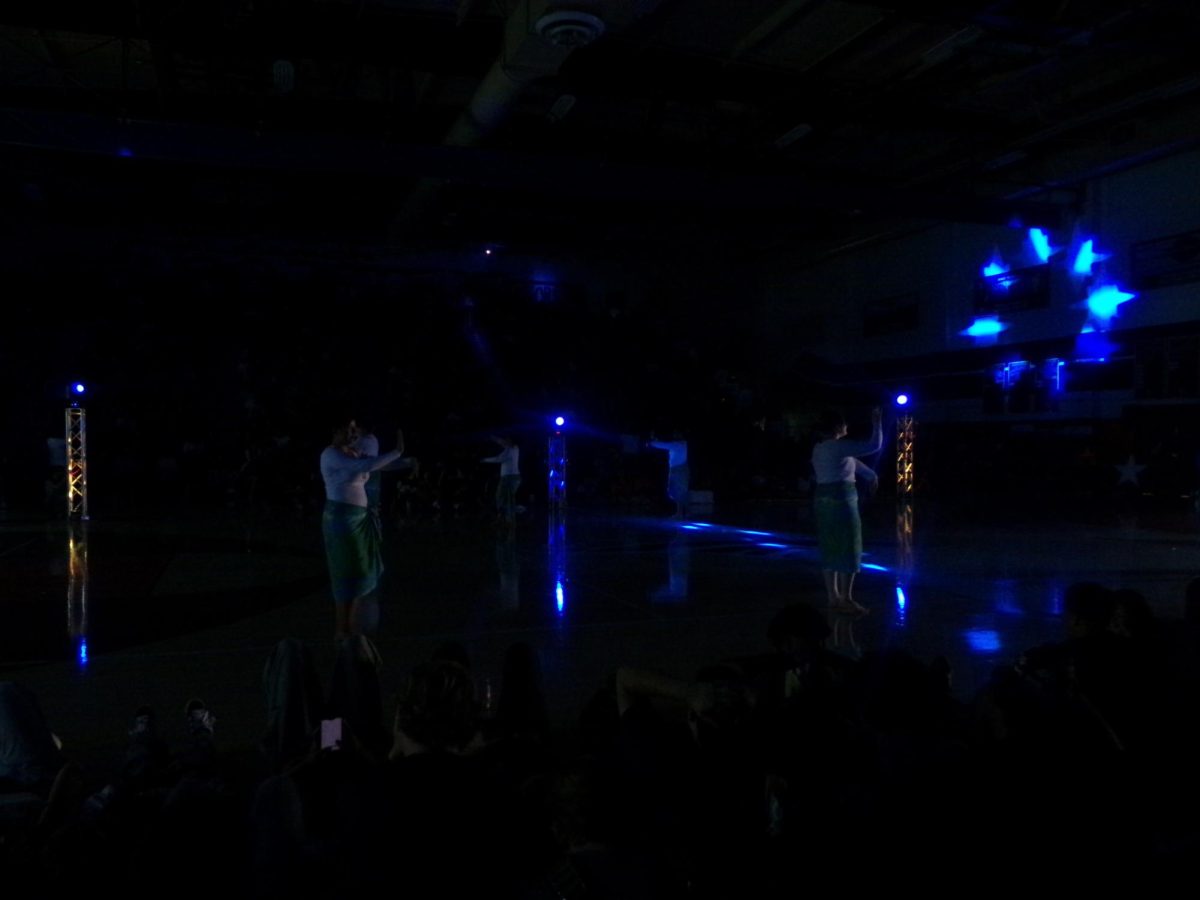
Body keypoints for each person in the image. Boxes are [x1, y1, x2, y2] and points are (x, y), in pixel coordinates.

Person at [320, 417, 410, 640]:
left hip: (359, 518)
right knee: (345, 572)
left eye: (354, 428)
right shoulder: (330, 454)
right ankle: (341, 628)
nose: (353, 433)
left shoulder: (353, 452)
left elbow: (379, 463)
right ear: (336, 431)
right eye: (348, 429)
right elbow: (365, 466)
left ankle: (350, 625)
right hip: (341, 520)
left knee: (359, 572)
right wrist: (398, 451)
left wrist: (406, 462)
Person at [810, 406, 882, 614]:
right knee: (849, 546)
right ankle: (846, 598)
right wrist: (877, 421)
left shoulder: (821, 447)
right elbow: (874, 445)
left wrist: (871, 475)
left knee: (830, 545)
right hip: (841, 500)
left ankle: (833, 597)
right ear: (838, 426)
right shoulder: (837, 446)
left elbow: (851, 463)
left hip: (822, 501)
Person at [481, 434, 521, 531]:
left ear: (510, 441)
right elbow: (503, 443)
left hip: (508, 478)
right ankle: (507, 521)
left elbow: (498, 459)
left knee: (502, 498)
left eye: (507, 440)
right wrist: (494, 438)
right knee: (508, 500)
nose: (505, 442)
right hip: (515, 477)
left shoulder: (509, 451)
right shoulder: (515, 448)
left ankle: (507, 521)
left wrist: (484, 460)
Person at [647, 430, 689, 518]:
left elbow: (663, 445)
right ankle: (682, 512)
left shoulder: (679, 445)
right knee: (673, 491)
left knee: (678, 491)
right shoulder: (679, 444)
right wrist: (655, 442)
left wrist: (653, 443)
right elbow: (665, 445)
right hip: (675, 470)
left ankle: (680, 513)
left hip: (679, 470)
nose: (675, 436)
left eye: (677, 435)